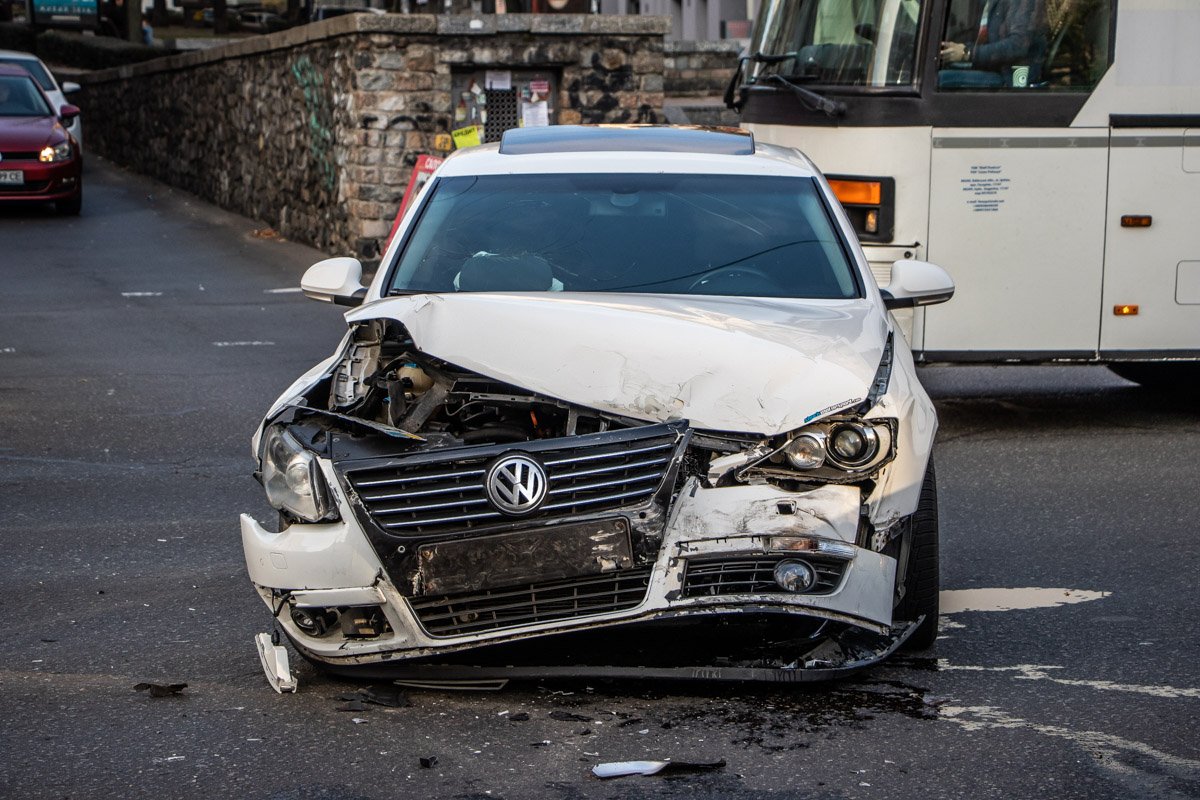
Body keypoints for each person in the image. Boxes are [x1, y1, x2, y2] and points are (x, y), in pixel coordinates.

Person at [939, 0, 1047, 88]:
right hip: (993, 69)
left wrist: (968, 53)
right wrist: (957, 49)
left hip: (1011, 78)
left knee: (937, 79)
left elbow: (1018, 45)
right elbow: (989, 42)